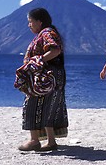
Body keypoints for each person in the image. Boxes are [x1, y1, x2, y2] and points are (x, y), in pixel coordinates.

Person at [18, 8, 68, 152]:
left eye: (30, 22)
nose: (29, 25)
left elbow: (55, 50)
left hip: (46, 76)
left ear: (39, 22)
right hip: (54, 75)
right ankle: (51, 141)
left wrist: (38, 61)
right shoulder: (49, 32)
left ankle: (34, 140)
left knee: (32, 104)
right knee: (48, 106)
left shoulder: (46, 33)